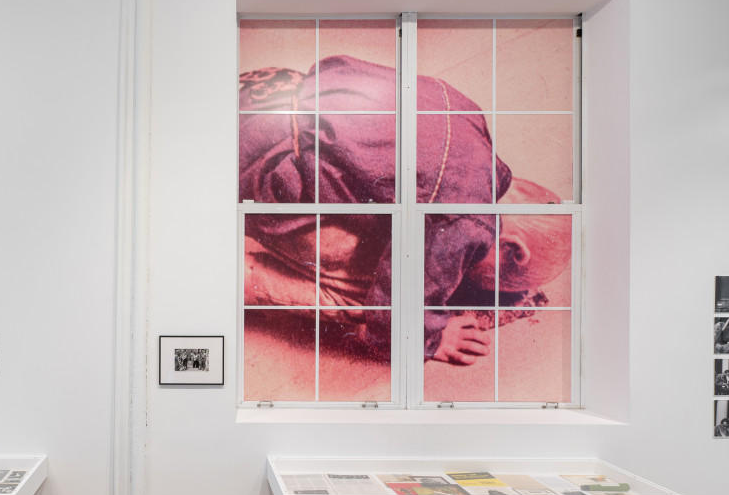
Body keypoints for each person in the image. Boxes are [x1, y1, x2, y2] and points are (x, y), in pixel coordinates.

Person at [239, 54, 571, 365]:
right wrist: (428, 339)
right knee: (374, 288)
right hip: (258, 160)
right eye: (495, 282)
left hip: (275, 92)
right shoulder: (468, 222)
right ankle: (245, 279)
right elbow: (397, 306)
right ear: (512, 249)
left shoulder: (472, 123)